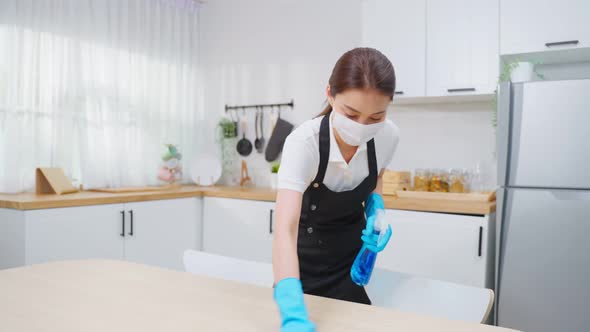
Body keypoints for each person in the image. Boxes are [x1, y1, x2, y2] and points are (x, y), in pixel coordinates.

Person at [272, 47, 400, 331]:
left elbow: (374, 178)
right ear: (330, 93)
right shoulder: (303, 143)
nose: (363, 127)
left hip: (349, 270)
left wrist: (376, 207)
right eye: (351, 114)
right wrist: (293, 313)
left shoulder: (388, 135)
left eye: (376, 117)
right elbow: (284, 230)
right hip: (300, 274)